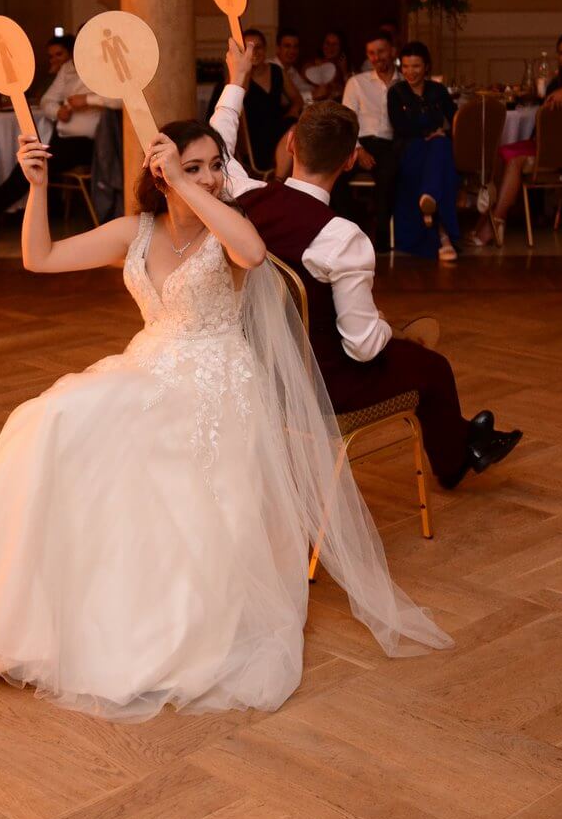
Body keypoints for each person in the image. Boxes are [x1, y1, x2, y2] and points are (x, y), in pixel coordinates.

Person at [0, 117, 453, 722]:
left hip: (215, 382)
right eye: (193, 165)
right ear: (158, 173)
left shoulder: (231, 228)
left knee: (94, 430)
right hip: (146, 368)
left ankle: (130, 627)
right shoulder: (135, 231)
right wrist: (37, 188)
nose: (209, 176)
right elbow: (40, 258)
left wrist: (187, 185)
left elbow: (252, 254)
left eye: (215, 165)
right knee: (46, 420)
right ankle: (31, 614)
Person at [211, 45, 521, 488]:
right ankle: (456, 461)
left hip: (260, 368)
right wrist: (386, 330)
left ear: (292, 144)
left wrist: (237, 78)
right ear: (351, 160)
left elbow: (218, 145)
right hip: (321, 385)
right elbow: (362, 348)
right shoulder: (342, 237)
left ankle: (467, 439)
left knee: (414, 355)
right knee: (433, 367)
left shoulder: (244, 196)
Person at [468, 30, 562, 248]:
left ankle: (495, 221)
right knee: (502, 153)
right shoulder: (555, 84)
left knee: (515, 161)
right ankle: (490, 218)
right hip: (553, 145)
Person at [0, 34, 116, 208]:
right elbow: (47, 100)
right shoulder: (68, 68)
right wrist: (57, 111)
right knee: (31, 156)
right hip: (62, 139)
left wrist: (88, 100)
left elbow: (119, 100)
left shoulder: (107, 66)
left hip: (90, 143)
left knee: (36, 161)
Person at [387, 41, 460, 262]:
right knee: (441, 152)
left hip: (435, 150)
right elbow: (400, 126)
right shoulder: (396, 92)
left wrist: (443, 134)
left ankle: (429, 199)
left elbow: (456, 120)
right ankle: (445, 237)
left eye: (416, 66)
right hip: (409, 149)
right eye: (406, 66)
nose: (410, 72)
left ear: (426, 66)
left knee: (441, 146)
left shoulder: (438, 90)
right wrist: (430, 133)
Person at [340, 31, 400, 251]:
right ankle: (350, 235)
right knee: (335, 177)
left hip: (389, 144)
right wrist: (358, 150)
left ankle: (382, 240)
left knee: (388, 177)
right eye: (371, 53)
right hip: (357, 142)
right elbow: (346, 121)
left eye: (381, 51)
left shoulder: (404, 83)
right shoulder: (357, 82)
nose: (376, 57)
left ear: (392, 51)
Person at [241, 28, 297, 174]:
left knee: (298, 129)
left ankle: (279, 180)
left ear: (265, 49)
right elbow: (237, 102)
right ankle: (279, 181)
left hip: (278, 129)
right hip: (254, 138)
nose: (254, 52)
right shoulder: (239, 76)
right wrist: (245, 69)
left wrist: (291, 114)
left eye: (258, 47)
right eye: (249, 48)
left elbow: (297, 100)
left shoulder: (276, 71)